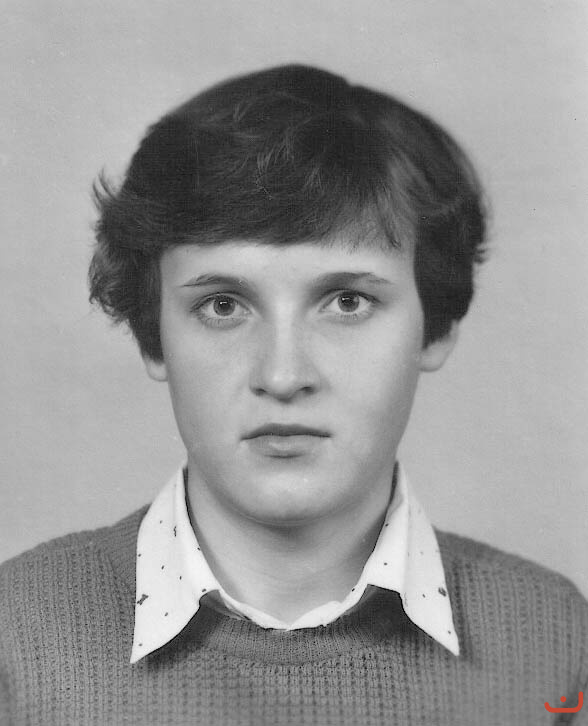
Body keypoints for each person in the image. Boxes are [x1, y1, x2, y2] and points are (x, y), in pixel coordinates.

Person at [0, 64, 586, 726]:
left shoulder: (559, 643)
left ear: (437, 325)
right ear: (153, 337)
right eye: (224, 305)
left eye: (347, 301)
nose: (282, 376)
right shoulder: (15, 639)